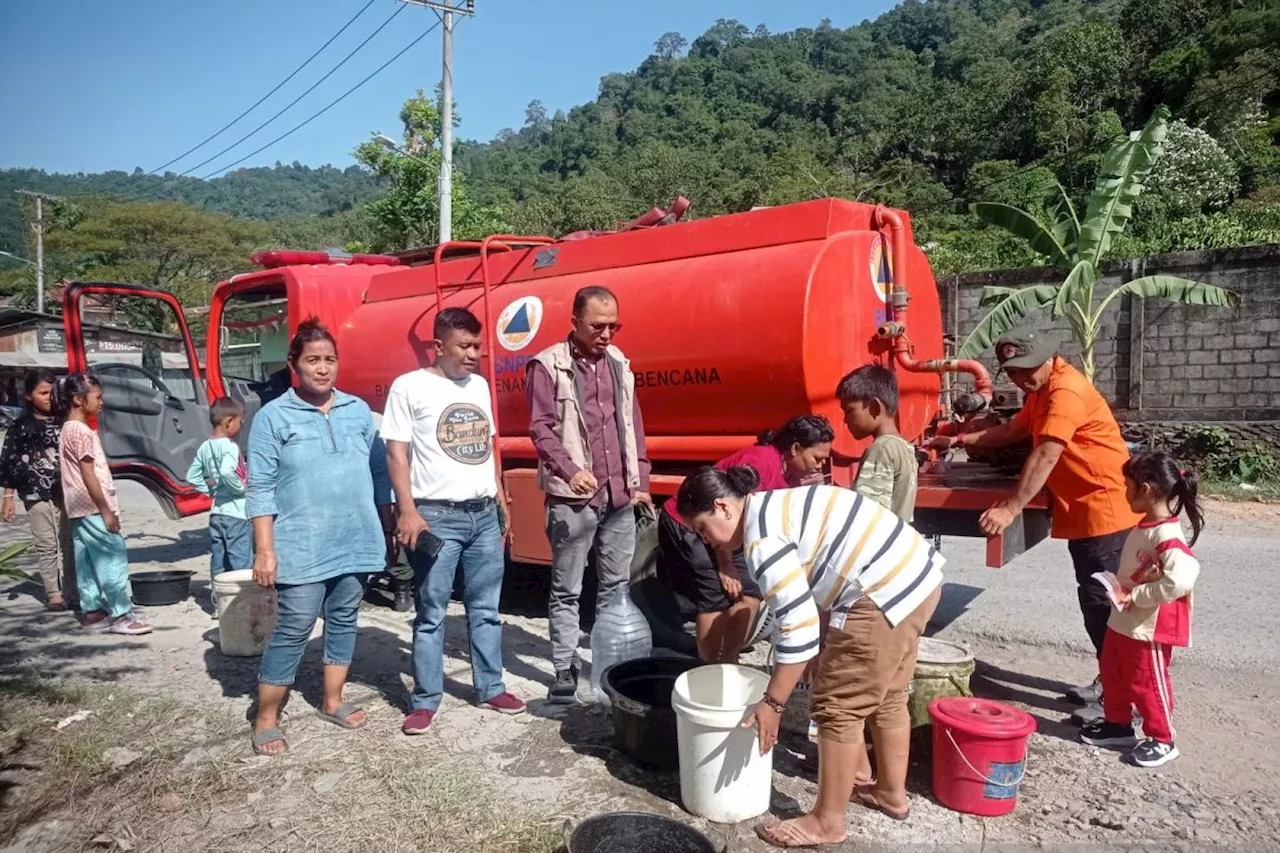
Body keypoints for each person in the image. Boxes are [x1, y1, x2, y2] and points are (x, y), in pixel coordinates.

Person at [677, 466, 943, 847]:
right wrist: (823, 640)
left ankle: (827, 822)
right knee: (888, 697)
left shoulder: (760, 540)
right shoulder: (774, 505)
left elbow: (794, 625)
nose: (709, 541)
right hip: (917, 577)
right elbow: (819, 575)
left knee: (837, 708)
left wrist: (773, 702)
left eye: (703, 529)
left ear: (723, 507)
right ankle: (889, 793)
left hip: (880, 590)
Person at [929, 327, 1140, 718]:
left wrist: (1009, 508)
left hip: (1105, 512)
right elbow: (1012, 430)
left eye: (1027, 369)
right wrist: (959, 442)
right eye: (1013, 371)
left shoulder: (1065, 392)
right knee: (1095, 601)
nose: (1020, 378)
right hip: (1084, 511)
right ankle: (1112, 679)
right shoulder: (1041, 391)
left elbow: (1045, 455)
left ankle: (1124, 698)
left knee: (1106, 604)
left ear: (1048, 356)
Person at [246, 319, 388, 756]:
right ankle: (266, 717)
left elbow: (378, 473)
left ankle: (333, 701)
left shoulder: (357, 411)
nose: (323, 368)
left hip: (355, 538)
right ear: (294, 365)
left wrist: (384, 524)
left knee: (344, 619)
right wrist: (264, 549)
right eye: (313, 360)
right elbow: (261, 487)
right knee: (294, 626)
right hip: (302, 544)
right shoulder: (273, 417)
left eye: (330, 359)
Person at [383, 307, 526, 735]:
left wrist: (501, 498)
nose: (473, 354)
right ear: (438, 345)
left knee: (486, 609)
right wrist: (407, 511)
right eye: (464, 346)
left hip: (482, 514)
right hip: (436, 516)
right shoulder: (409, 387)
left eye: (477, 346)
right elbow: (396, 454)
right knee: (431, 612)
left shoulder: (480, 386)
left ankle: (490, 686)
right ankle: (425, 700)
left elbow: (488, 444)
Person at [527, 285, 652, 703]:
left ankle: (608, 663)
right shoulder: (548, 366)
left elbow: (633, 426)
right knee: (567, 587)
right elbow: (540, 428)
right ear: (575, 322)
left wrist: (642, 483)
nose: (607, 333)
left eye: (614, 325)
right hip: (572, 499)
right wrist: (570, 470)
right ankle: (565, 667)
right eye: (598, 325)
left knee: (616, 587)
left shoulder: (619, 363)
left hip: (618, 496)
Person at [658, 415, 833, 664]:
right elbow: (721, 514)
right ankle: (708, 667)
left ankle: (729, 659)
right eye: (817, 458)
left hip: (729, 529)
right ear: (795, 449)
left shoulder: (792, 478)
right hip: (693, 520)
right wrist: (725, 564)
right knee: (715, 598)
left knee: (750, 592)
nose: (820, 465)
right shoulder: (760, 463)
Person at [1080, 452, 1202, 768]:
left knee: (1147, 681)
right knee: (1114, 673)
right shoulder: (1146, 526)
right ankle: (1117, 724)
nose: (1124, 492)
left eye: (1127, 486)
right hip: (1124, 621)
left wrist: (1139, 595)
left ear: (1144, 489)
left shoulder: (1166, 537)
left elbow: (1182, 577)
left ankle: (1162, 738)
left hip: (1146, 627)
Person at [56, 374, 151, 635]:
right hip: (92, 506)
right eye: (97, 397)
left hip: (77, 507)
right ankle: (121, 613)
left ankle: (93, 611)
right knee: (112, 554)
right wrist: (106, 510)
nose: (101, 402)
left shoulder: (67, 429)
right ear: (78, 399)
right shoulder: (82, 432)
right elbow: (89, 474)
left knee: (85, 559)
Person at [0, 370, 76, 611]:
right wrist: (8, 498)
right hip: (34, 491)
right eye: (42, 393)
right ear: (29, 395)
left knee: (69, 542)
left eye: (51, 393)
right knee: (46, 543)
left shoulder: (67, 420)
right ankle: (53, 592)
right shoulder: (20, 426)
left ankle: (73, 590)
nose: (48, 397)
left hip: (66, 490)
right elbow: (9, 462)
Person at [185, 397, 251, 605]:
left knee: (219, 560)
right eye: (240, 422)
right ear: (229, 421)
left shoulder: (206, 446)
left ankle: (219, 604)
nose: (241, 428)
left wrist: (211, 490)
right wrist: (240, 489)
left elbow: (192, 476)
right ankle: (241, 603)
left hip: (217, 513)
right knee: (241, 560)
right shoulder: (230, 447)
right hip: (236, 513)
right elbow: (226, 471)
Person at [838, 365, 918, 521]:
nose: (845, 420)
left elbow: (867, 517)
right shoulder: (903, 447)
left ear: (874, 407)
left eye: (849, 411)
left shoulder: (881, 449)